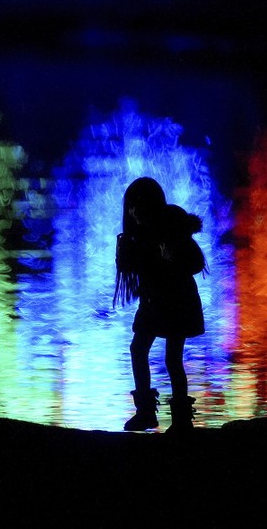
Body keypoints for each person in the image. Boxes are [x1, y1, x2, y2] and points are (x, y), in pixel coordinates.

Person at [114, 177, 206, 432]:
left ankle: (180, 420)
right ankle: (147, 413)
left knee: (172, 358)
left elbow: (196, 263)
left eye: (137, 206)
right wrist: (124, 258)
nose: (132, 212)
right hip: (153, 300)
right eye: (130, 207)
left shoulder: (171, 230)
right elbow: (140, 270)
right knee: (139, 349)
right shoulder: (140, 235)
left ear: (149, 205)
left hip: (177, 300)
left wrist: (172, 257)